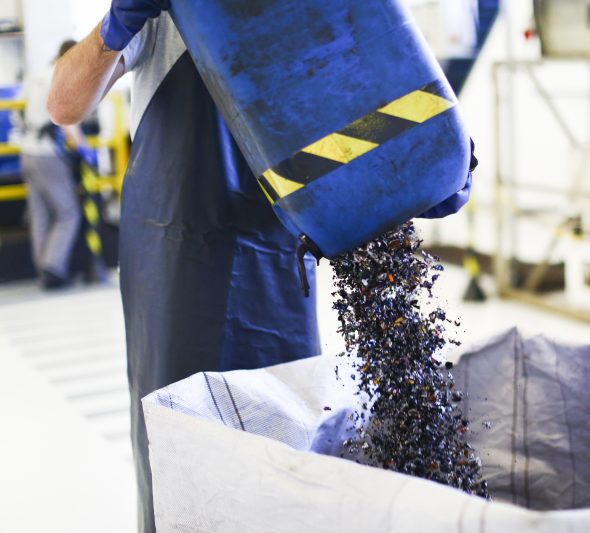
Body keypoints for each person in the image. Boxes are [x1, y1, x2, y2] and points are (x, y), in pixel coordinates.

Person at [48, 2, 472, 532]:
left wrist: (425, 163)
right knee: (189, 451)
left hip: (284, 255)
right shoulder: (169, 13)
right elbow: (63, 104)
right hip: (179, 256)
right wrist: (117, 26)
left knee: (290, 442)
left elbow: (381, 85)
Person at [20, 40, 85, 289]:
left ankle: (43, 267)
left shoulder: (36, 76)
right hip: (48, 154)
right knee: (68, 213)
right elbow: (68, 119)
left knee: (40, 214)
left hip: (27, 150)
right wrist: (82, 149)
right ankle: (53, 267)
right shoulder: (62, 76)